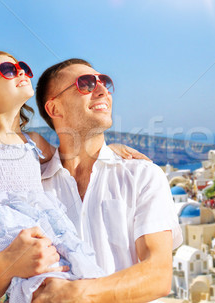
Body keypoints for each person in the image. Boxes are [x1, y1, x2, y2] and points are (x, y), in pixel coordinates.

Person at [0, 51, 145, 301]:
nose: (21, 72)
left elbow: (72, 156)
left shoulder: (34, 141)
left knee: (71, 273)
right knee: (42, 282)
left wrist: (108, 150)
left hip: (44, 224)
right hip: (7, 230)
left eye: (23, 67)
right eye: (7, 70)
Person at [28, 58, 183, 302]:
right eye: (86, 84)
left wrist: (78, 293)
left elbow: (158, 274)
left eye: (105, 82)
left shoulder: (143, 176)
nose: (102, 91)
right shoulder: (31, 187)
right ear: (54, 109)